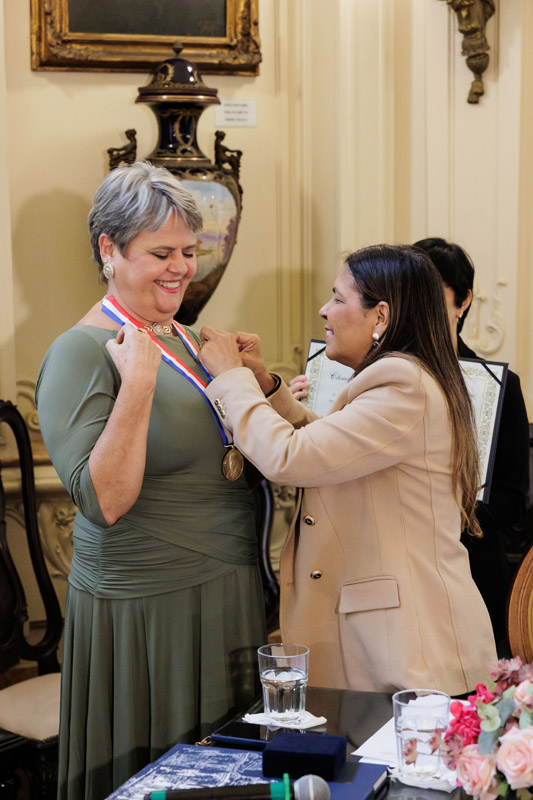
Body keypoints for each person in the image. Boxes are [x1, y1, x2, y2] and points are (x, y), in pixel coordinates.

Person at [35, 162, 266, 800]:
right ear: (109, 250)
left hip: (228, 590)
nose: (181, 268)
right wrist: (136, 385)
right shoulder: (80, 351)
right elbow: (105, 501)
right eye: (161, 253)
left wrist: (266, 387)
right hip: (144, 608)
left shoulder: (191, 340)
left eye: (189, 252)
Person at [197, 244, 497, 696]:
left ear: (381, 316)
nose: (324, 310)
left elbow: (289, 458)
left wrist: (230, 379)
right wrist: (265, 385)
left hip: (407, 648)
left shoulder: (402, 384)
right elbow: (333, 447)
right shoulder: (407, 376)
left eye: (338, 298)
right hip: (389, 638)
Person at [414, 237, 530, 654]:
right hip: (394, 568)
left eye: (431, 292)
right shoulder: (372, 377)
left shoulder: (498, 387)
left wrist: (448, 509)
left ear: (462, 302)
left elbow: (512, 500)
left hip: (469, 566)